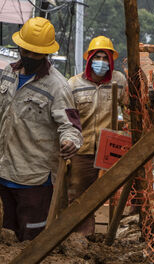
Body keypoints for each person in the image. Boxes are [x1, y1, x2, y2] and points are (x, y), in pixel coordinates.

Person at [0, 17, 82, 241]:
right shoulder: (8, 73)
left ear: (46, 54)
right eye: (27, 51)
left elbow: (70, 125)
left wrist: (70, 140)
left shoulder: (57, 86)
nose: (30, 57)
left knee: (31, 240)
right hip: (2, 172)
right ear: (20, 47)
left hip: (34, 180)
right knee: (0, 235)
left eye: (36, 54)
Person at [67, 35, 128, 235]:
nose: (101, 62)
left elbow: (128, 110)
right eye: (97, 57)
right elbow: (66, 118)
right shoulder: (74, 85)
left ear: (111, 60)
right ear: (90, 58)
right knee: (78, 193)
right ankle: (81, 235)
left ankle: (103, 232)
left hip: (108, 149)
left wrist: (125, 135)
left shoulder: (118, 81)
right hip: (81, 149)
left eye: (105, 57)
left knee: (104, 193)